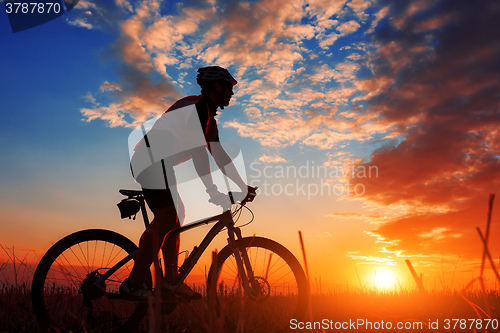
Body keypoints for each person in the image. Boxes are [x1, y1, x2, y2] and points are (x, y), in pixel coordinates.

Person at [120, 66, 256, 300]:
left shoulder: (209, 121)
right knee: (166, 218)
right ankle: (133, 283)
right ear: (217, 87)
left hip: (160, 164)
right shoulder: (197, 107)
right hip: (150, 160)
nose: (232, 94)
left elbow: (219, 155)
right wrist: (212, 190)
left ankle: (169, 280)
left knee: (176, 217)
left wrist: (242, 186)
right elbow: (199, 154)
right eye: (230, 88)